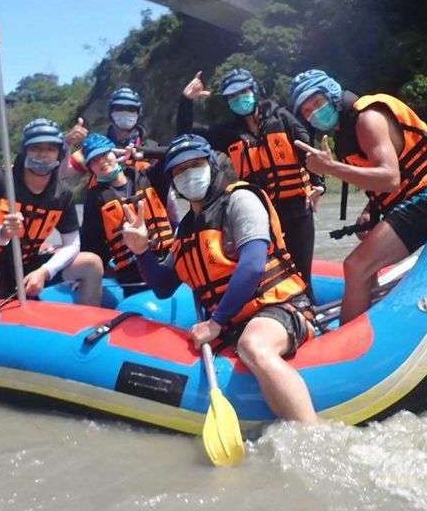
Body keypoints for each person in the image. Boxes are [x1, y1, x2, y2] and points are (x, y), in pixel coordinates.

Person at [121, 134, 318, 425]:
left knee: (254, 345)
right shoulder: (186, 230)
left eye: (195, 165)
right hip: (232, 324)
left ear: (212, 165)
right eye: (178, 171)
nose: (188, 174)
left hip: (279, 308)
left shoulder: (240, 200)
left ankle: (311, 435)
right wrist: (142, 252)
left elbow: (252, 266)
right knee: (244, 341)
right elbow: (163, 287)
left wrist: (215, 323)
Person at [290, 69, 427, 324]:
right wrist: (371, 208)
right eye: (306, 111)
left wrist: (330, 168)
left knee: (355, 266)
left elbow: (390, 177)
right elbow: (383, 181)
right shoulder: (346, 131)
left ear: (332, 95)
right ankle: (372, 323)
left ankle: (350, 345)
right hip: (418, 197)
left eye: (317, 103)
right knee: (365, 259)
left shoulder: (368, 119)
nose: (314, 113)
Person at [178, 68, 324, 295]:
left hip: (297, 210)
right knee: (270, 276)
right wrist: (186, 100)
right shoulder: (228, 133)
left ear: (254, 90)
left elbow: (309, 152)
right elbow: (185, 133)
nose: (238, 99)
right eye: (232, 96)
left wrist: (319, 184)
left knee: (302, 276)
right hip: (260, 216)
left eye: (242, 92)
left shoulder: (282, 117)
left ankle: (310, 318)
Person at [0, 118, 103, 306]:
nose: (43, 155)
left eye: (50, 149)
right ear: (25, 151)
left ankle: (86, 328)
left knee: (91, 263)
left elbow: (72, 244)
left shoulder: (62, 195)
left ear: (59, 154)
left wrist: (45, 271)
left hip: (26, 266)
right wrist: (2, 233)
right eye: (36, 148)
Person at [78, 133, 178, 288]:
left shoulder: (150, 177)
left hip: (170, 262)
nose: (102, 162)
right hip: (132, 274)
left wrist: (142, 152)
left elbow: (176, 152)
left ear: (115, 153)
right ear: (90, 168)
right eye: (94, 160)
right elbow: (91, 243)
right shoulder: (95, 198)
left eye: (105, 154)